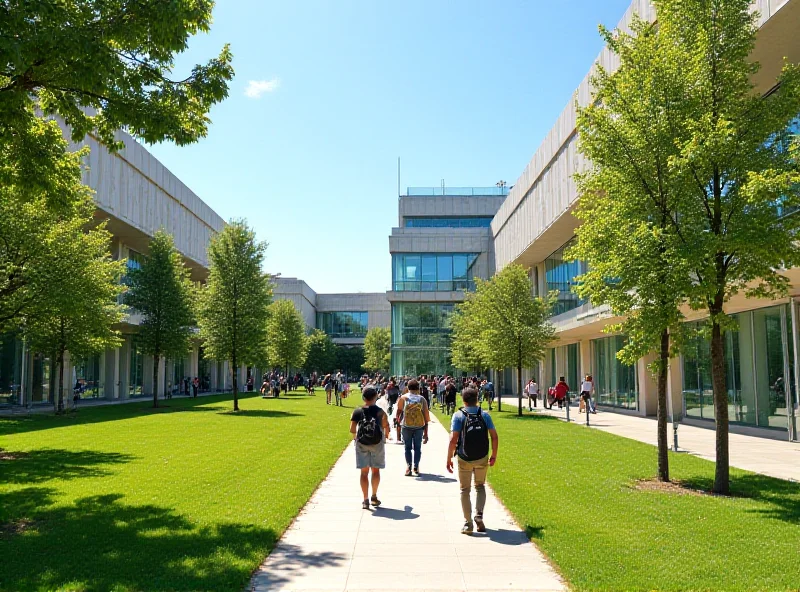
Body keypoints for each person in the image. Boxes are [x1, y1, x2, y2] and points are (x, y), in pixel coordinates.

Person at [446, 387, 499, 535]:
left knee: (465, 490)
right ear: (477, 399)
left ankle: (468, 523)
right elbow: (494, 436)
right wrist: (493, 455)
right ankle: (479, 515)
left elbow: (453, 439)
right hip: (482, 456)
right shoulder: (484, 415)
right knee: (480, 486)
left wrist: (449, 457)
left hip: (464, 457)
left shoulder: (458, 416)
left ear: (463, 400)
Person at [350, 386, 391, 509]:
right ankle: (374, 496)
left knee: (364, 473)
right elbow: (385, 426)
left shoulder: (358, 411)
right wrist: (387, 434)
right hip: (377, 443)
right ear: (376, 397)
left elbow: (352, 429)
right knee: (375, 470)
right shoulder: (380, 411)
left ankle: (365, 499)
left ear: (363, 397)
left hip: (362, 443)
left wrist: (355, 437)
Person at [396, 378, 430, 476]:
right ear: (418, 388)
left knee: (407, 448)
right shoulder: (421, 399)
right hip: (419, 427)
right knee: (417, 448)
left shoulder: (403, 398)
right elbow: (426, 417)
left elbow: (398, 411)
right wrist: (426, 433)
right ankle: (416, 466)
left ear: (408, 388)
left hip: (406, 426)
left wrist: (398, 423)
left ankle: (408, 466)